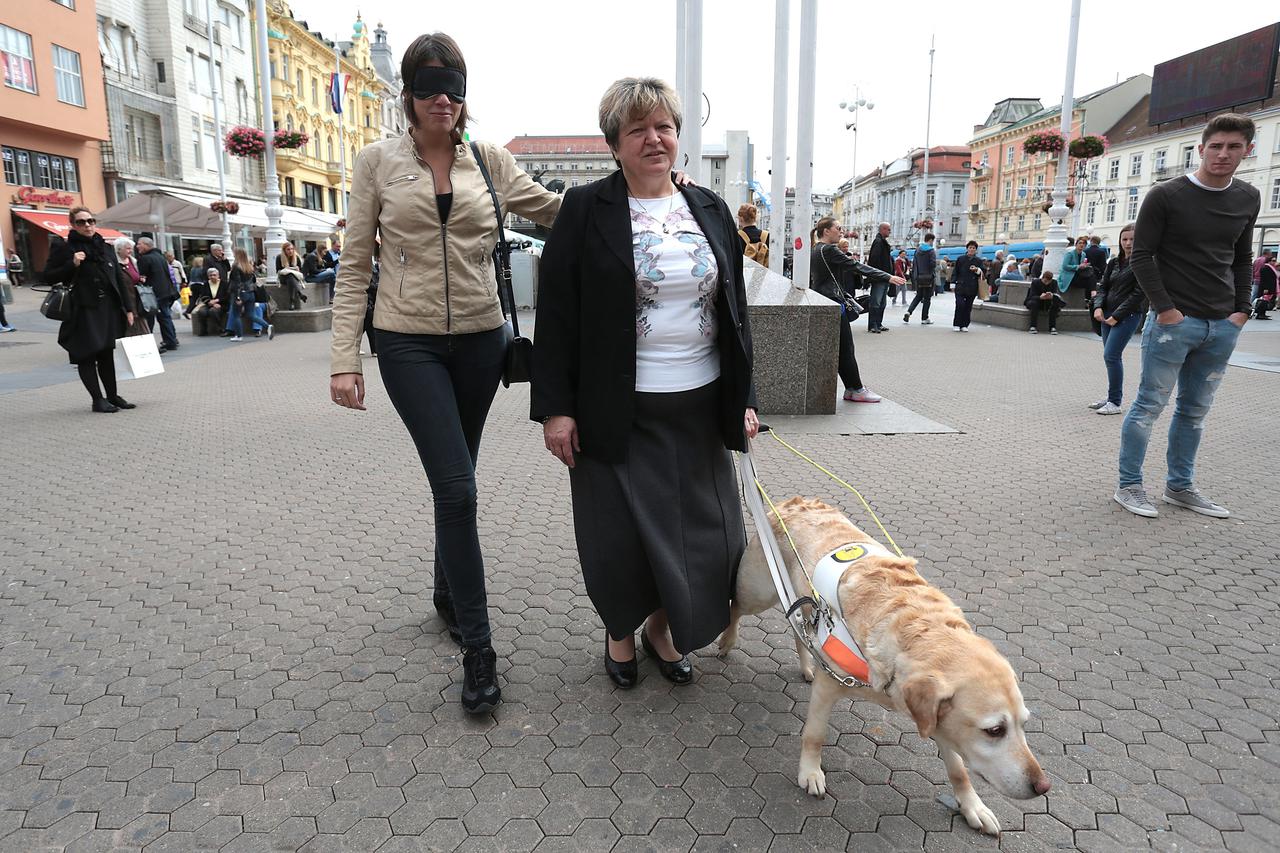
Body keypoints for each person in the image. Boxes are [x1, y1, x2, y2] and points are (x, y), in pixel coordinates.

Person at [329, 32, 562, 715]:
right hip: (407, 342)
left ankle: (445, 594)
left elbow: (553, 208)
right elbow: (353, 265)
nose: (442, 100)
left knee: (455, 476)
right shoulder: (377, 162)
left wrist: (644, 187)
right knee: (459, 489)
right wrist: (345, 357)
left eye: (453, 88)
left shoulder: (488, 161)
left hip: (482, 343)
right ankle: (480, 649)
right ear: (408, 94)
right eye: (429, 87)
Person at [533, 76, 758, 694]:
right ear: (615, 143)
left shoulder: (707, 206)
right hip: (616, 410)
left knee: (705, 535)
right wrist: (556, 409)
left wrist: (744, 398)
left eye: (664, 126)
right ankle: (620, 633)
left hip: (700, 403)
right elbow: (555, 316)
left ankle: (664, 628)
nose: (654, 139)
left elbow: (735, 311)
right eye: (638, 129)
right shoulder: (585, 209)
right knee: (620, 537)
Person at [1113, 113, 1260, 519]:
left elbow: (1242, 256)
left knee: (1194, 411)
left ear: (1248, 150)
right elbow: (1141, 255)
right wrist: (1166, 310)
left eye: (1233, 147)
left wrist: (1242, 309)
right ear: (1201, 149)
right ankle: (1129, 486)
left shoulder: (1247, 197)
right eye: (1216, 146)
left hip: (1222, 324)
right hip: (1174, 324)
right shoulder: (1166, 195)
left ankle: (1180, 486)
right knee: (1148, 406)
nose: (1223, 154)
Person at [44, 206, 137, 412]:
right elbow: (48, 276)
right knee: (86, 354)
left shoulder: (104, 247)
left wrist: (128, 308)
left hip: (108, 308)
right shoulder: (64, 247)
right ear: (73, 224)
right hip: (83, 308)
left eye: (90, 221)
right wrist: (72, 263)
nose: (87, 225)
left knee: (106, 353)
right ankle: (97, 400)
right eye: (81, 222)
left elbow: (119, 280)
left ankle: (112, 396)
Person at [811, 216, 904, 402]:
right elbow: (857, 266)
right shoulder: (829, 249)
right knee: (846, 348)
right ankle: (856, 390)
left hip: (824, 302)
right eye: (838, 228)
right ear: (826, 231)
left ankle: (852, 388)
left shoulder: (816, 249)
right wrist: (887, 277)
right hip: (834, 303)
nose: (841, 231)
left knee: (842, 348)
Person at [1089, 223, 1145, 414]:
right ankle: (1112, 397)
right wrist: (1098, 307)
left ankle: (1115, 402)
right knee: (1111, 357)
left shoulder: (1143, 262)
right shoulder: (1113, 262)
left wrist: (1116, 316)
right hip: (1106, 313)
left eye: (1132, 239)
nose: (1128, 243)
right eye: (1124, 239)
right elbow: (1103, 286)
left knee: (1111, 355)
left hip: (1127, 315)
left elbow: (1138, 295)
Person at [136, 236, 179, 352]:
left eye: (139, 244)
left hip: (153, 294)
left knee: (149, 319)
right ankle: (171, 340)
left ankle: (149, 344)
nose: (137, 246)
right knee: (165, 317)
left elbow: (142, 277)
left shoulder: (145, 259)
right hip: (166, 292)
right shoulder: (160, 257)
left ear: (146, 245)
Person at [226, 247, 270, 341]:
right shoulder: (249, 267)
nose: (233, 254)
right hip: (251, 293)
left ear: (238, 255)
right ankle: (268, 326)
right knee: (251, 315)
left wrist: (237, 297)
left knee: (236, 315)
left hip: (240, 294)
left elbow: (238, 283)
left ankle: (238, 336)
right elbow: (253, 281)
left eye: (234, 253)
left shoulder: (236, 267)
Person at [950, 240, 984, 331]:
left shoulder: (978, 261)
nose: (972, 249)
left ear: (976, 250)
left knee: (968, 306)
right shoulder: (960, 259)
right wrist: (953, 283)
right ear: (967, 249)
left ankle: (964, 325)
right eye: (970, 248)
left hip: (972, 286)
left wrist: (977, 270)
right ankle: (956, 324)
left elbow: (983, 273)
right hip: (960, 285)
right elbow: (955, 272)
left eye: (973, 248)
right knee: (960, 304)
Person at [865, 222, 893, 332]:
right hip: (879, 277)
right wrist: (874, 275)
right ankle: (873, 325)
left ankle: (878, 323)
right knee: (876, 301)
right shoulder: (878, 242)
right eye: (889, 230)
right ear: (883, 229)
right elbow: (874, 260)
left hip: (884, 276)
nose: (890, 232)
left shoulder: (882, 242)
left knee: (881, 302)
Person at [904, 232, 937, 324]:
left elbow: (914, 264)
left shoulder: (917, 250)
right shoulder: (931, 251)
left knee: (918, 296)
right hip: (929, 277)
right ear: (930, 240)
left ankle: (909, 311)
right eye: (932, 241)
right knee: (927, 298)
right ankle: (924, 318)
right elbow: (932, 264)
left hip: (919, 277)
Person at [189, 266, 228, 336]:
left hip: (222, 304)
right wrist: (210, 302)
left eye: (214, 275)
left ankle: (221, 328)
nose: (212, 277)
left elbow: (227, 296)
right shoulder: (206, 284)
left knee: (213, 311)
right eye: (210, 275)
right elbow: (203, 296)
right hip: (209, 304)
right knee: (201, 311)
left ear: (218, 275)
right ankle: (203, 329)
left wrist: (217, 301)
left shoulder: (224, 284)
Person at [275, 241, 308, 310]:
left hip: (294, 278)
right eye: (288, 249)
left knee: (291, 277)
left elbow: (301, 272)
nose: (290, 251)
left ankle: (292, 302)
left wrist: (297, 269)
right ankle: (299, 294)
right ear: (284, 250)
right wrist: (287, 270)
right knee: (290, 275)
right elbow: (278, 271)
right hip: (283, 277)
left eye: (292, 249)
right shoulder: (279, 257)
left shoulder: (296, 257)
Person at [1254, 254, 1276, 319]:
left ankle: (1263, 313)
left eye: (1275, 261)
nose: (1274, 262)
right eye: (1273, 260)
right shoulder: (1265, 268)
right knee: (1263, 300)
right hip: (1266, 287)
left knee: (1266, 301)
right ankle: (1260, 314)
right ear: (1268, 261)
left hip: (1269, 287)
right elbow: (1265, 279)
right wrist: (1266, 288)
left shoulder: (1270, 268)